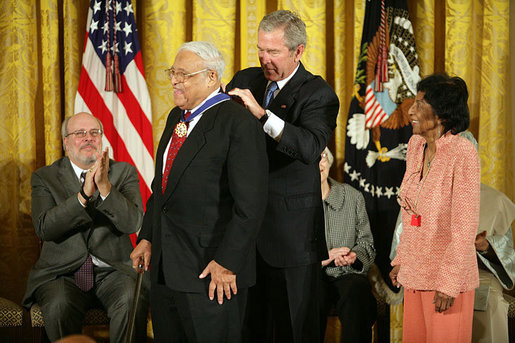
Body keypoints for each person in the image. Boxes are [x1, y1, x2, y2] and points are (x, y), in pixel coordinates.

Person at [130, 41, 268, 343]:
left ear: (211, 78)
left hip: (212, 273)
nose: (175, 81)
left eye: (184, 74)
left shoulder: (238, 123)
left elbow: (251, 205)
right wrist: (147, 237)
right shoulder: (175, 118)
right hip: (167, 270)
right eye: (173, 73)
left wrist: (228, 262)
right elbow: (162, 188)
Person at [226, 9, 339, 342]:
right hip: (245, 236)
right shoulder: (246, 80)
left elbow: (308, 146)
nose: (264, 58)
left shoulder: (318, 94)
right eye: (261, 49)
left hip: (292, 241)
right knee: (249, 330)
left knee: (296, 331)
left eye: (273, 51)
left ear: (298, 51)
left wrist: (262, 115)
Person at [22, 112, 148, 343]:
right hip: (62, 273)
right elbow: (44, 228)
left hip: (112, 271)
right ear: (66, 142)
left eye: (94, 133)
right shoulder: (45, 177)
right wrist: (83, 196)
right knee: (59, 305)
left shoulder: (123, 172)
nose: (88, 138)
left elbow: (133, 223)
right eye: (80, 133)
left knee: (132, 298)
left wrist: (106, 188)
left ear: (101, 139)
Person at [389, 73, 480, 342]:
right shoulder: (416, 145)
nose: (410, 110)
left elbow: (465, 227)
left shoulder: (463, 152)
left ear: (441, 114)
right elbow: (410, 212)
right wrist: (402, 261)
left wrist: (450, 282)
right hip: (416, 274)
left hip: (447, 283)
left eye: (419, 104)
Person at [390, 181, 515, 343]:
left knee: (490, 302)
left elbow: (508, 257)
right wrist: (402, 263)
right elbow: (401, 244)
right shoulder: (417, 195)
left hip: (478, 274)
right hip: (428, 272)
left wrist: (485, 246)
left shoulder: (495, 202)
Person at [319, 148, 377, 343]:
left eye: (323, 157)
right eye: (312, 159)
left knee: (357, 291)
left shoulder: (352, 197)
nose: (319, 164)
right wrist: (324, 257)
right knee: (307, 296)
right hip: (311, 275)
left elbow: (366, 243)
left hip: (346, 274)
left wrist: (355, 256)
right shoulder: (292, 201)